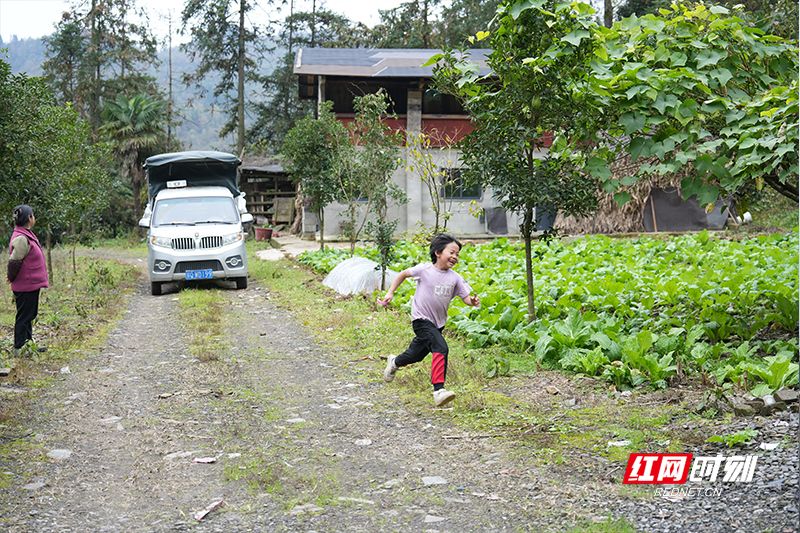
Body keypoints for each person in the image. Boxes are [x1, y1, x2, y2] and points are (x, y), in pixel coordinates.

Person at [377, 234, 480, 407]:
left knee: (415, 355)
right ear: (438, 252)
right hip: (421, 319)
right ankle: (439, 390)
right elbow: (402, 274)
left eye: (457, 254)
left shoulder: (455, 278)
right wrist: (390, 293)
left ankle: (394, 362)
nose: (455, 257)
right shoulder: (424, 270)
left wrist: (473, 302)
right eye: (451, 252)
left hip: (438, 324)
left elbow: (466, 298)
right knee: (441, 347)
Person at [6, 205, 49, 356]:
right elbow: (14, 261)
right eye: (33, 215)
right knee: (24, 316)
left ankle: (28, 345)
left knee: (29, 315)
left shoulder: (26, 234)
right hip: (25, 285)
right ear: (30, 218)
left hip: (30, 284)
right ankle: (19, 347)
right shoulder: (21, 238)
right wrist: (11, 278)